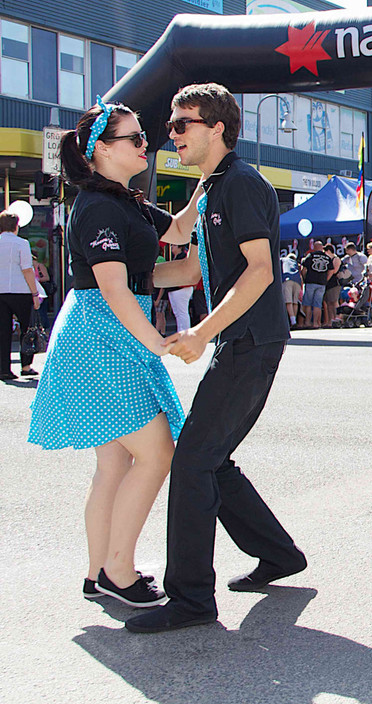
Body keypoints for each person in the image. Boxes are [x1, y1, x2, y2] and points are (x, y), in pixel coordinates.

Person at [126, 82, 305, 634]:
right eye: (171, 126)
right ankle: (278, 555)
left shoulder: (242, 185)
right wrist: (121, 279)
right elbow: (191, 260)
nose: (172, 134)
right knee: (210, 457)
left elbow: (259, 270)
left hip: (249, 343)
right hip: (242, 341)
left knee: (193, 461)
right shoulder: (211, 186)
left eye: (183, 124)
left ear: (217, 128)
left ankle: (191, 598)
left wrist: (201, 330)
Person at [27, 97, 203, 606]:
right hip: (101, 340)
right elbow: (113, 289)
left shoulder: (124, 200)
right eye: (136, 138)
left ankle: (97, 569)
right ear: (101, 149)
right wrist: (158, 343)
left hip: (110, 339)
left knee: (115, 464)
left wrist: (208, 176)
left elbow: (178, 231)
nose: (146, 144)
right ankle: (117, 572)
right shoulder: (99, 205)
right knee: (155, 454)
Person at [0, 210, 41, 380]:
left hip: (1, 291)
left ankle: (3, 368)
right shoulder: (21, 243)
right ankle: (26, 366)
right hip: (21, 291)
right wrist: (35, 292)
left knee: (3, 331)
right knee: (27, 329)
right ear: (17, 226)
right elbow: (27, 269)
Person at [300, 240, 332, 329]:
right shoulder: (327, 257)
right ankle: (316, 323)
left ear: (313, 247)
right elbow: (331, 270)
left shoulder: (310, 256)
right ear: (322, 247)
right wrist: (326, 279)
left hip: (310, 281)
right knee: (317, 304)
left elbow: (304, 269)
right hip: (322, 283)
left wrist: (304, 277)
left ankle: (307, 322)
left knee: (308, 303)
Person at [166, 244, 194, 332]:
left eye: (173, 246)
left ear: (179, 247)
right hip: (177, 288)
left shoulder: (183, 256)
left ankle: (184, 333)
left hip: (181, 288)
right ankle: (181, 332)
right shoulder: (178, 257)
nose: (171, 248)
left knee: (182, 313)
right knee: (178, 313)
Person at [280, 251, 302, 328]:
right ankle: (294, 319)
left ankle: (292, 321)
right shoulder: (295, 262)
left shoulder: (282, 260)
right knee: (295, 302)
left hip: (287, 278)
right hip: (297, 280)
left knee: (288, 301)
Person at [322, 243, 341, 327]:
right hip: (328, 284)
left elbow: (334, 271)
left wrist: (326, 278)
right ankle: (330, 320)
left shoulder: (336, 259)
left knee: (334, 301)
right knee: (328, 303)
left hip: (334, 283)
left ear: (329, 251)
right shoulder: (327, 260)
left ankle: (337, 318)